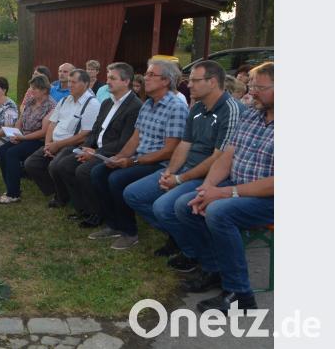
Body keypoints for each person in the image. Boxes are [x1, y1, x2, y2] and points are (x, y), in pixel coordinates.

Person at [173, 62, 274, 313]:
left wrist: (225, 193)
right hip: (238, 187)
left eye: (259, 88)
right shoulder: (251, 114)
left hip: (269, 198)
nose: (252, 92)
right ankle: (214, 270)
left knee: (219, 212)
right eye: (252, 86)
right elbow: (227, 155)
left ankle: (241, 295)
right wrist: (206, 189)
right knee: (186, 205)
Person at [122, 60, 244, 266]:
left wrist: (180, 179)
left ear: (212, 82)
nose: (188, 85)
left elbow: (219, 158)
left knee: (164, 207)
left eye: (195, 80)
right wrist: (170, 172)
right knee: (133, 194)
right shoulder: (197, 107)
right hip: (186, 169)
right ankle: (184, 240)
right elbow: (184, 145)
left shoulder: (230, 109)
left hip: (210, 175)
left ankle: (196, 254)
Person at [88, 59, 188, 250]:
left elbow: (170, 150)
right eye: (147, 74)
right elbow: (135, 139)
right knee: (99, 172)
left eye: (151, 75)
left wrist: (132, 161)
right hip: (140, 159)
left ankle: (129, 232)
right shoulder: (148, 104)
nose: (145, 78)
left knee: (117, 179)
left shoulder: (176, 107)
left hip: (160, 163)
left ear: (166, 81)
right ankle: (114, 224)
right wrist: (119, 157)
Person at [59, 62, 142, 228]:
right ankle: (83, 208)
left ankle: (98, 213)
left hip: (113, 153)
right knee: (64, 165)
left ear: (126, 81)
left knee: (83, 171)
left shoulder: (135, 106)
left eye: (112, 78)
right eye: (108, 77)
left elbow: (124, 141)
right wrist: (86, 147)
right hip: (95, 148)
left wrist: (95, 152)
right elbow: (95, 130)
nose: (108, 81)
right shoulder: (107, 103)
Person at [24, 69, 100, 208]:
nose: (69, 85)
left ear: (85, 84)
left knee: (55, 166)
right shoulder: (65, 100)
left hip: (73, 145)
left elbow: (85, 135)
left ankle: (62, 197)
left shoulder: (92, 104)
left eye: (74, 82)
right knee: (31, 164)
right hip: (54, 143)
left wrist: (57, 145)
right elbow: (52, 123)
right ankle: (59, 191)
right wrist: (48, 144)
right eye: (69, 81)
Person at [0, 75, 57, 204]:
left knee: (12, 153)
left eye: (34, 88)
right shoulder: (30, 101)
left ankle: (13, 194)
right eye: (31, 87)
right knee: (1, 151)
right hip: (22, 136)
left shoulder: (51, 106)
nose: (31, 90)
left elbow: (43, 132)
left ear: (44, 90)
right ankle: (11, 185)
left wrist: (22, 137)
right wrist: (16, 133)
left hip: (38, 140)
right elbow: (20, 120)